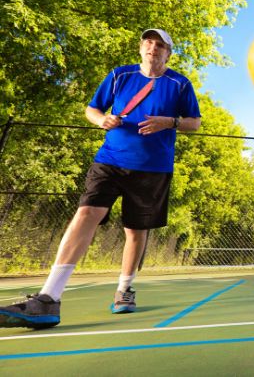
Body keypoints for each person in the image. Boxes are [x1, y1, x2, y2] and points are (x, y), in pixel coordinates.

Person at [0, 29, 201, 329]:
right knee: (87, 213)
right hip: (110, 160)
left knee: (135, 231)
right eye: (148, 42)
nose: (153, 48)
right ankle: (49, 297)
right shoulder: (120, 76)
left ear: (168, 53)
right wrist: (101, 120)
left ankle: (124, 289)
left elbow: (194, 123)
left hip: (153, 168)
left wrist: (168, 122)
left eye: (160, 45)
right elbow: (92, 109)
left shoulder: (180, 84)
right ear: (140, 48)